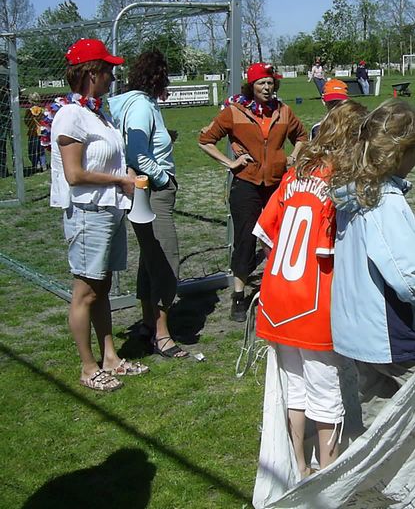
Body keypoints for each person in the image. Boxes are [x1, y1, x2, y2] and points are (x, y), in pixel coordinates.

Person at [253, 99, 368, 477]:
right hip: (312, 296)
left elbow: (267, 232)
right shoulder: (339, 182)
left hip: (276, 293)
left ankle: (298, 465)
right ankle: (327, 469)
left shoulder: (294, 172)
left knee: (296, 385)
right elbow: (334, 247)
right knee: (324, 388)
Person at [49, 38, 148, 392]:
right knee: (85, 292)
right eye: (108, 69)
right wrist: (121, 180)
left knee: (102, 288)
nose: (112, 75)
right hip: (89, 212)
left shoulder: (95, 111)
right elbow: (75, 175)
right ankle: (88, 367)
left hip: (108, 210)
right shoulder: (71, 115)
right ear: (92, 72)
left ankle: (111, 358)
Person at [329, 99, 415, 411]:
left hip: (352, 332)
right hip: (388, 336)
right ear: (398, 153)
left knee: (375, 427)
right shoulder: (385, 201)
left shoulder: (352, 193)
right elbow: (408, 277)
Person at [199, 62, 307, 322]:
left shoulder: (283, 111)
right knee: (246, 241)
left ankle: (278, 291)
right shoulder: (234, 112)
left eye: (270, 83)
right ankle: (239, 295)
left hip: (277, 185)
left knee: (277, 239)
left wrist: (292, 156)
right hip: (246, 184)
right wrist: (230, 163)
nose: (267, 88)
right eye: (262, 83)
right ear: (252, 86)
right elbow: (206, 140)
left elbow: (302, 136)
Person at [108, 49, 189, 359]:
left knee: (149, 260)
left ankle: (146, 324)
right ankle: (162, 334)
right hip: (153, 192)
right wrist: (161, 178)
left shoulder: (135, 104)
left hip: (146, 192)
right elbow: (137, 153)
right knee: (167, 259)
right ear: (159, 77)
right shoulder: (141, 106)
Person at [25, 93, 48, 172]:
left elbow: (26, 121)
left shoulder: (29, 111)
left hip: (33, 132)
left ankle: (36, 164)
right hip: (42, 132)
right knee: (41, 150)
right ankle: (43, 164)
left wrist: (30, 126)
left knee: (32, 150)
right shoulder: (42, 110)